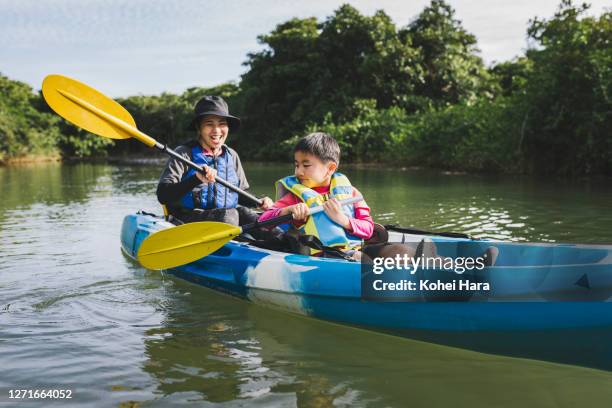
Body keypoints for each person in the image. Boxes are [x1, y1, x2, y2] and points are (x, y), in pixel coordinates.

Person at [156, 95, 273, 225]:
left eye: (222, 124)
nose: (216, 130)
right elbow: (163, 195)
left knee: (262, 219)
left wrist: (258, 201)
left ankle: (282, 242)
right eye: (209, 124)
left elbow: (239, 194)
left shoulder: (231, 155)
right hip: (188, 219)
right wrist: (196, 179)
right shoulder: (184, 153)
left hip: (226, 217)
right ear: (199, 128)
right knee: (230, 215)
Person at [258, 132, 374, 258]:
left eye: (306, 165)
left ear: (330, 168)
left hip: (352, 249)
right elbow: (262, 222)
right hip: (320, 255)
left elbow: (368, 229)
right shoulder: (295, 197)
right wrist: (287, 210)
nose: (298, 172)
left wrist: (343, 220)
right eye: (297, 165)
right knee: (361, 259)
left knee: (395, 252)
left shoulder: (351, 192)